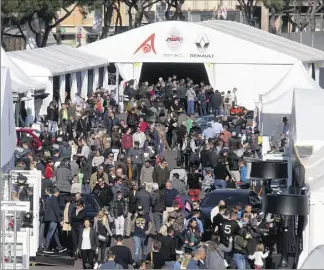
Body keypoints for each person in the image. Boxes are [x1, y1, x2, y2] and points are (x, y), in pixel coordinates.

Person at [43, 187, 67, 254]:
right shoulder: (54, 199)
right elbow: (57, 210)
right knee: (50, 233)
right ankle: (46, 247)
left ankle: (60, 247)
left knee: (55, 233)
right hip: (54, 219)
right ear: (57, 192)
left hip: (51, 218)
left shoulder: (50, 198)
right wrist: (60, 220)